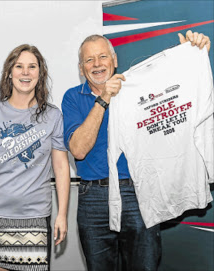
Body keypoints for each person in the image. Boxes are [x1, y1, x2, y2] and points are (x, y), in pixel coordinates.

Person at [61, 30, 211, 271]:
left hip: (139, 192)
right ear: (81, 68)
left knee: (145, 266)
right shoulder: (72, 98)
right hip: (94, 199)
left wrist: (193, 55)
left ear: (115, 60)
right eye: (89, 60)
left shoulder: (137, 90)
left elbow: (179, 90)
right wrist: (104, 99)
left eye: (103, 57)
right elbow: (78, 150)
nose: (97, 64)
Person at [0, 44, 70, 271]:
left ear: (40, 74)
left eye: (32, 67)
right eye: (19, 66)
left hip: (35, 214)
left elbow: (62, 167)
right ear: (9, 72)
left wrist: (62, 214)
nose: (25, 73)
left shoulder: (53, 116)